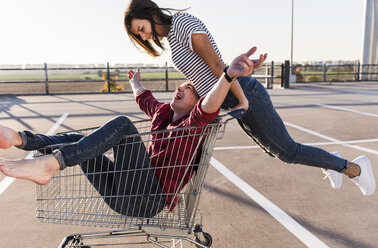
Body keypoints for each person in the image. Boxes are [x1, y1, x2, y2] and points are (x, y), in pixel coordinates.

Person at [123, 0, 376, 195]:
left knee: (287, 151)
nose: (145, 36)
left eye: (142, 29)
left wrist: (242, 97)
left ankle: (354, 168)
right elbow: (205, 78)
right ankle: (331, 162)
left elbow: (214, 64)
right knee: (277, 150)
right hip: (234, 95)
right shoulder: (173, 40)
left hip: (241, 94)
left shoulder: (182, 24)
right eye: (139, 35)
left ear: (153, 13)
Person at [0, 46, 259, 218]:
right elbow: (143, 98)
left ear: (197, 100)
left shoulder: (193, 124)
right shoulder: (163, 114)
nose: (179, 88)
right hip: (123, 192)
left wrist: (227, 77)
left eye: (187, 88)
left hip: (148, 198)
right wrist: (135, 83)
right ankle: (21, 139)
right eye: (179, 85)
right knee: (84, 142)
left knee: (123, 125)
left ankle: (50, 163)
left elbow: (209, 106)